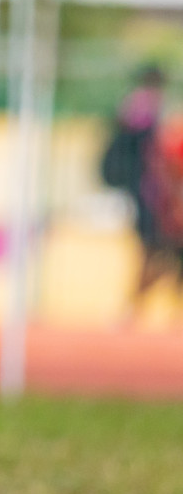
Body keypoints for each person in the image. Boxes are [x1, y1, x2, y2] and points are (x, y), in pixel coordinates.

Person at [101, 64, 168, 321]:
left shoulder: (132, 106)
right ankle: (134, 304)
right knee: (155, 250)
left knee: (153, 251)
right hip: (149, 194)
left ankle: (134, 304)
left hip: (144, 193)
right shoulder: (145, 109)